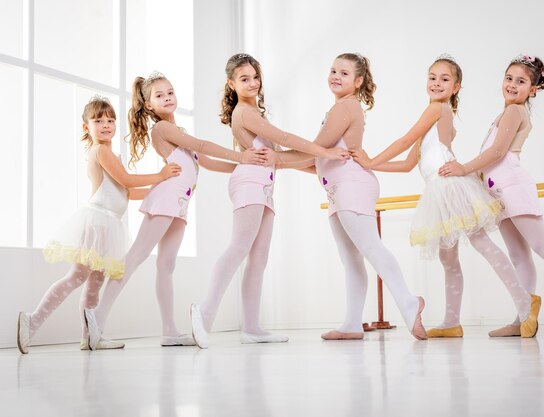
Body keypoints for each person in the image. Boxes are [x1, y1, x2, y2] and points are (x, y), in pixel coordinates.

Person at [351, 54, 541, 338]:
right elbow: (407, 164)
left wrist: (370, 160)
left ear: (456, 87)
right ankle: (452, 321)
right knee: (448, 257)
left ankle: (525, 302)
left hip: (450, 185)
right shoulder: (434, 115)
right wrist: (372, 164)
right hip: (437, 189)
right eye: (432, 77)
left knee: (481, 242)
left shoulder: (437, 110)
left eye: (445, 79)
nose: (437, 83)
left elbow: (403, 139)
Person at [84, 72, 268, 349]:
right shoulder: (162, 129)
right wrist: (241, 156)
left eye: (170, 92)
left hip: (180, 203)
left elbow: (204, 160)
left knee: (166, 265)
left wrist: (244, 166)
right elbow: (203, 145)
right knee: (136, 256)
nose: (167, 98)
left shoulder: (178, 131)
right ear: (148, 105)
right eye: (159, 95)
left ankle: (170, 330)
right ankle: (97, 317)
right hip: (166, 198)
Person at [439, 54, 544, 337]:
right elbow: (491, 157)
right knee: (518, 255)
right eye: (509, 78)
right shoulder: (505, 114)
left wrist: (463, 168)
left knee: (543, 246)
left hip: (513, 187)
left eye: (521, 81)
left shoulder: (515, 112)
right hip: (498, 192)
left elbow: (497, 153)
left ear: (533, 89)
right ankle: (523, 318)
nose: (512, 85)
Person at [190, 53, 349, 347]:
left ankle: (251, 327)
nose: (252, 83)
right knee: (239, 247)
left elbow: (276, 158)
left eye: (255, 77)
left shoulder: (254, 113)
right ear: (231, 83)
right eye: (244, 79)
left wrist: (316, 167)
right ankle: (206, 311)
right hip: (249, 182)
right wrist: (324, 152)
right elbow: (285, 138)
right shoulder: (245, 112)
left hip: (263, 186)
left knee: (258, 258)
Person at [17, 95, 181, 354]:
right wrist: (160, 175)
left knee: (94, 282)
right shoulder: (101, 151)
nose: (106, 124)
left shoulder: (109, 153)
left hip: (108, 224)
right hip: (97, 222)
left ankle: (91, 336)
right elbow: (127, 180)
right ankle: (32, 321)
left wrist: (161, 187)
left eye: (111, 119)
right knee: (77, 276)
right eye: (98, 120)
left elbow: (125, 193)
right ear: (86, 127)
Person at [310, 53, 427, 340]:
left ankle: (408, 302)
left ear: (358, 80)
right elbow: (318, 157)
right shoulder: (340, 108)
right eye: (333, 70)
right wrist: (277, 160)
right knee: (350, 257)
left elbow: (315, 148)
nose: (336, 76)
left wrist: (275, 157)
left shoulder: (345, 108)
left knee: (370, 247)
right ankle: (351, 323)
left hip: (351, 184)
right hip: (339, 186)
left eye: (345, 73)